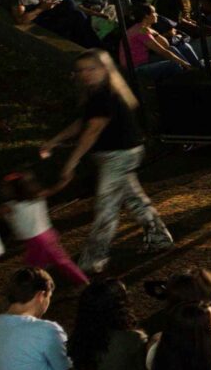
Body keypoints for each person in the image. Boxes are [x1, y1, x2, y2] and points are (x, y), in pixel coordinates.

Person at [37, 49, 174, 273]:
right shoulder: (98, 92)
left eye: (91, 68)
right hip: (122, 153)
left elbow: (92, 130)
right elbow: (84, 122)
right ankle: (159, 238)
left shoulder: (105, 94)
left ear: (104, 69)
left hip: (118, 156)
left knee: (106, 208)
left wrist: (71, 163)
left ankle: (93, 260)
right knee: (134, 199)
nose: (85, 74)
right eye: (81, 70)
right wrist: (54, 141)